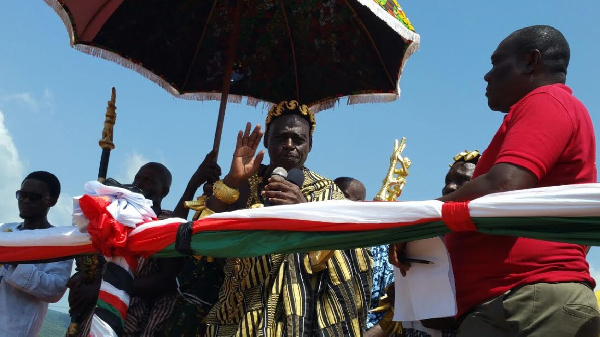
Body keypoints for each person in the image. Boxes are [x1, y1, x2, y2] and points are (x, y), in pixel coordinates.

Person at [390, 25, 599, 337]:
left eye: (496, 63)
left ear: (531, 61)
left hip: (531, 302)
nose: (487, 76)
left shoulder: (547, 100)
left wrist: (421, 220)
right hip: (511, 303)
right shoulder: (539, 109)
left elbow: (504, 184)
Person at [193, 100, 372, 336]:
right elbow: (200, 236)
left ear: (310, 145)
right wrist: (233, 180)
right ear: (266, 140)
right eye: (281, 138)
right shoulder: (245, 181)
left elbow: (354, 256)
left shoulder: (327, 193)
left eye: (298, 140)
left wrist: (305, 213)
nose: (289, 145)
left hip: (295, 321)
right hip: (234, 317)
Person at [404, 150, 480, 337]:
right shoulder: (430, 236)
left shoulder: (492, 240)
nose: (450, 187)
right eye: (447, 181)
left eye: (463, 180)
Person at [0, 171, 73, 336]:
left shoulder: (59, 241)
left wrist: (15, 262)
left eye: (34, 197)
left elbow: (54, 290)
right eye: (22, 195)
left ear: (52, 201)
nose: (25, 201)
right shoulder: (4, 231)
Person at [334, 176, 399, 337]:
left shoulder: (383, 250)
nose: (332, 199)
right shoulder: (314, 242)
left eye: (341, 196)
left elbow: (393, 308)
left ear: (361, 205)